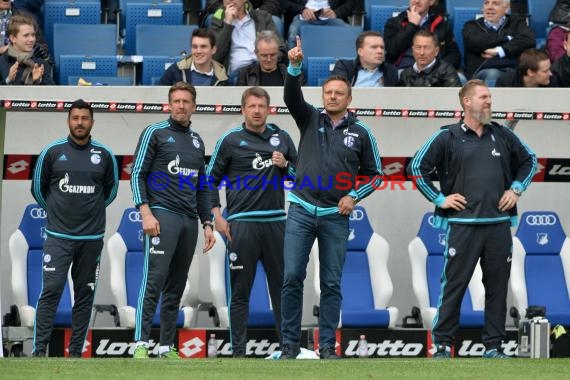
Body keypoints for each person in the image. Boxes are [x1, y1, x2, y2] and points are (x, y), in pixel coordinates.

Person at [407, 79, 537, 359]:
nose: (489, 102)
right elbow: (416, 167)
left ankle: (493, 346)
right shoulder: (447, 136)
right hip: (462, 226)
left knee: (497, 288)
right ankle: (442, 344)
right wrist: (440, 199)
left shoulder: (501, 135)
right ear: (466, 102)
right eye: (483, 97)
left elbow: (530, 160)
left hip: (498, 226)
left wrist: (516, 189)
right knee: (453, 286)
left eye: (490, 97)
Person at [280, 37, 383, 360]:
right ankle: (288, 346)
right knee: (292, 277)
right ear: (322, 97)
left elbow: (375, 174)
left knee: (331, 284)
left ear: (349, 97)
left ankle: (326, 346)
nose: (333, 97)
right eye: (328, 93)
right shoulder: (308, 117)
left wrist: (354, 194)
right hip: (300, 209)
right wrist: (295, 66)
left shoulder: (362, 133)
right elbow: (290, 96)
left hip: (335, 217)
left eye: (339, 93)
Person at [206, 86, 297, 357]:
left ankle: (289, 349)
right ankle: (238, 352)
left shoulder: (282, 137)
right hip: (242, 224)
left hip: (276, 223)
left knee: (282, 289)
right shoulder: (231, 140)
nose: (257, 111)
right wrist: (217, 216)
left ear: (269, 109)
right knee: (240, 291)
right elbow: (209, 181)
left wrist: (285, 166)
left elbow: (300, 176)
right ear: (243, 109)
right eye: (252, 106)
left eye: (262, 106)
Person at [131, 82, 216, 359]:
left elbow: (202, 187)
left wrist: (207, 223)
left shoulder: (197, 140)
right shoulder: (155, 133)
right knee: (153, 280)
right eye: (176, 101)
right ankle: (140, 344)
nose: (180, 105)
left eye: (186, 101)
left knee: (177, 285)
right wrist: (145, 212)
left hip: (188, 221)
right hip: (161, 216)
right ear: (169, 104)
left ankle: (167, 346)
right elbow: (137, 175)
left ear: (194, 106)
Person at [31, 99, 119, 357]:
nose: (79, 122)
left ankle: (77, 353)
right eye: (75, 118)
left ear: (92, 121)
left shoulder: (104, 154)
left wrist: (89, 210)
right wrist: (58, 210)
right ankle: (38, 352)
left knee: (84, 294)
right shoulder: (53, 152)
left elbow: (111, 191)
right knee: (51, 291)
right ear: (68, 120)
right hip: (58, 237)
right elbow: (38, 188)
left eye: (84, 118)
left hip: (91, 238)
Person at [209, 0, 285, 83]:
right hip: (237, 75)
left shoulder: (262, 17)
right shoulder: (217, 21)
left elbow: (281, 49)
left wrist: (266, 60)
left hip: (263, 69)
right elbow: (216, 56)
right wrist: (228, 24)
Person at [462, 0, 535, 84]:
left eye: (495, 3)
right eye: (486, 3)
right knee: (493, 74)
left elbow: (529, 39)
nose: (489, 7)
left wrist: (499, 51)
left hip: (513, 69)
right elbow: (477, 42)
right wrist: (507, 39)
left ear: (507, 8)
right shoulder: (471, 26)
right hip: (483, 71)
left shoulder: (517, 22)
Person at [384, 0, 460, 71]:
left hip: (435, 73)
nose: (417, 1)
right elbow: (390, 51)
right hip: (403, 71)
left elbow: (454, 55)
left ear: (431, 2)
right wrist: (412, 25)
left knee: (461, 78)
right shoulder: (394, 22)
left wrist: (439, 68)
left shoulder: (441, 23)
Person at [158, 28, 229, 86]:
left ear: (213, 50)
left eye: (203, 47)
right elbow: (158, 97)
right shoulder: (175, 70)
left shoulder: (223, 78)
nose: (198, 51)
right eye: (195, 47)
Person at [331, 30, 398, 87]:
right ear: (360, 52)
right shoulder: (345, 67)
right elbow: (339, 92)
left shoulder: (390, 70)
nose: (380, 51)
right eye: (374, 47)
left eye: (382, 47)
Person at [0, 13, 53, 85]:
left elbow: (52, 94)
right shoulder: (1, 62)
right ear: (13, 38)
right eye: (26, 35)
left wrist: (38, 81)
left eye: (33, 35)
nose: (31, 39)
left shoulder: (41, 63)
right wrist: (8, 80)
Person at [282, 0, 355, 50]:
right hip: (302, 18)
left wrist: (336, 13)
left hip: (332, 18)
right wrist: (302, 10)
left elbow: (351, 3)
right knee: (293, 37)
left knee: (354, 36)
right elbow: (284, 2)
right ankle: (292, 68)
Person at [203, 0, 284, 37]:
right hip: (224, 12)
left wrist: (257, 13)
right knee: (212, 18)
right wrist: (229, 10)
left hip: (257, 14)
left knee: (275, 21)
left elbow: (273, 3)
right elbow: (211, 4)